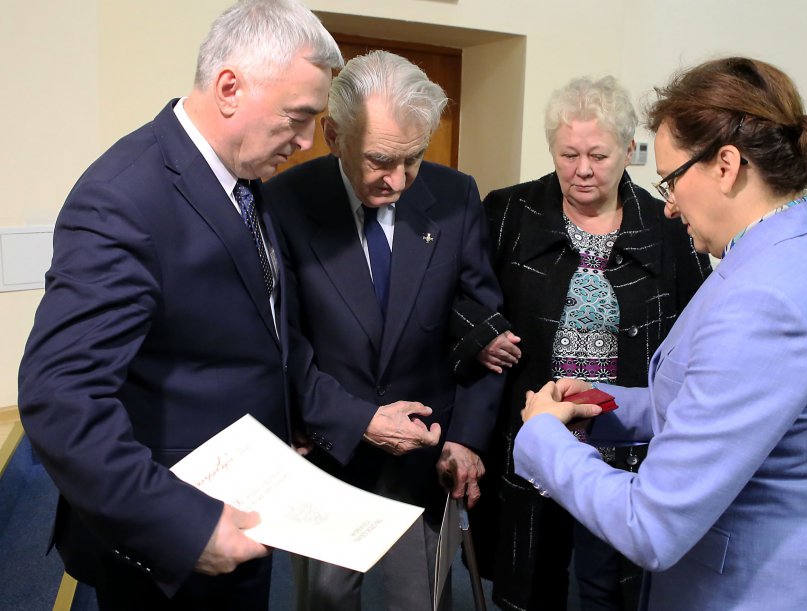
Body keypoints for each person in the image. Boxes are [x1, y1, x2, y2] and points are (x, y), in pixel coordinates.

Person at [515, 57, 807, 609]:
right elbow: (715, 405)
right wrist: (601, 405)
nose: (667, 205)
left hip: (759, 589)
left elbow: (651, 524)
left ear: (726, 166)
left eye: (671, 179)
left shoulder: (764, 302)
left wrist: (542, 436)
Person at [16, 1, 354, 609]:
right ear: (229, 88)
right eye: (298, 117)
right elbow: (61, 395)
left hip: (247, 504)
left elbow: (264, 330)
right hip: (173, 536)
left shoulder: (244, 181)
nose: (307, 142)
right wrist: (182, 527)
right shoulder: (124, 198)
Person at [451, 76, 710, 611]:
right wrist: (480, 335)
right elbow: (455, 292)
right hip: (533, 427)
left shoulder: (667, 227)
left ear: (628, 151)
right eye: (568, 155)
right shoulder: (510, 212)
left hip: (627, 444)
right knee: (529, 576)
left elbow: (699, 324)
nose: (582, 169)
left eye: (598, 155)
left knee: (609, 585)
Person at [262, 50, 504, 611]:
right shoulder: (283, 202)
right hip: (328, 448)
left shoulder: (455, 196)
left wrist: (466, 437)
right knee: (325, 602)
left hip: (425, 453)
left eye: (413, 158)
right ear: (333, 136)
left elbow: (484, 327)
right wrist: (350, 420)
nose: (398, 180)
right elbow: (284, 340)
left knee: (421, 600)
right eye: (380, 160)